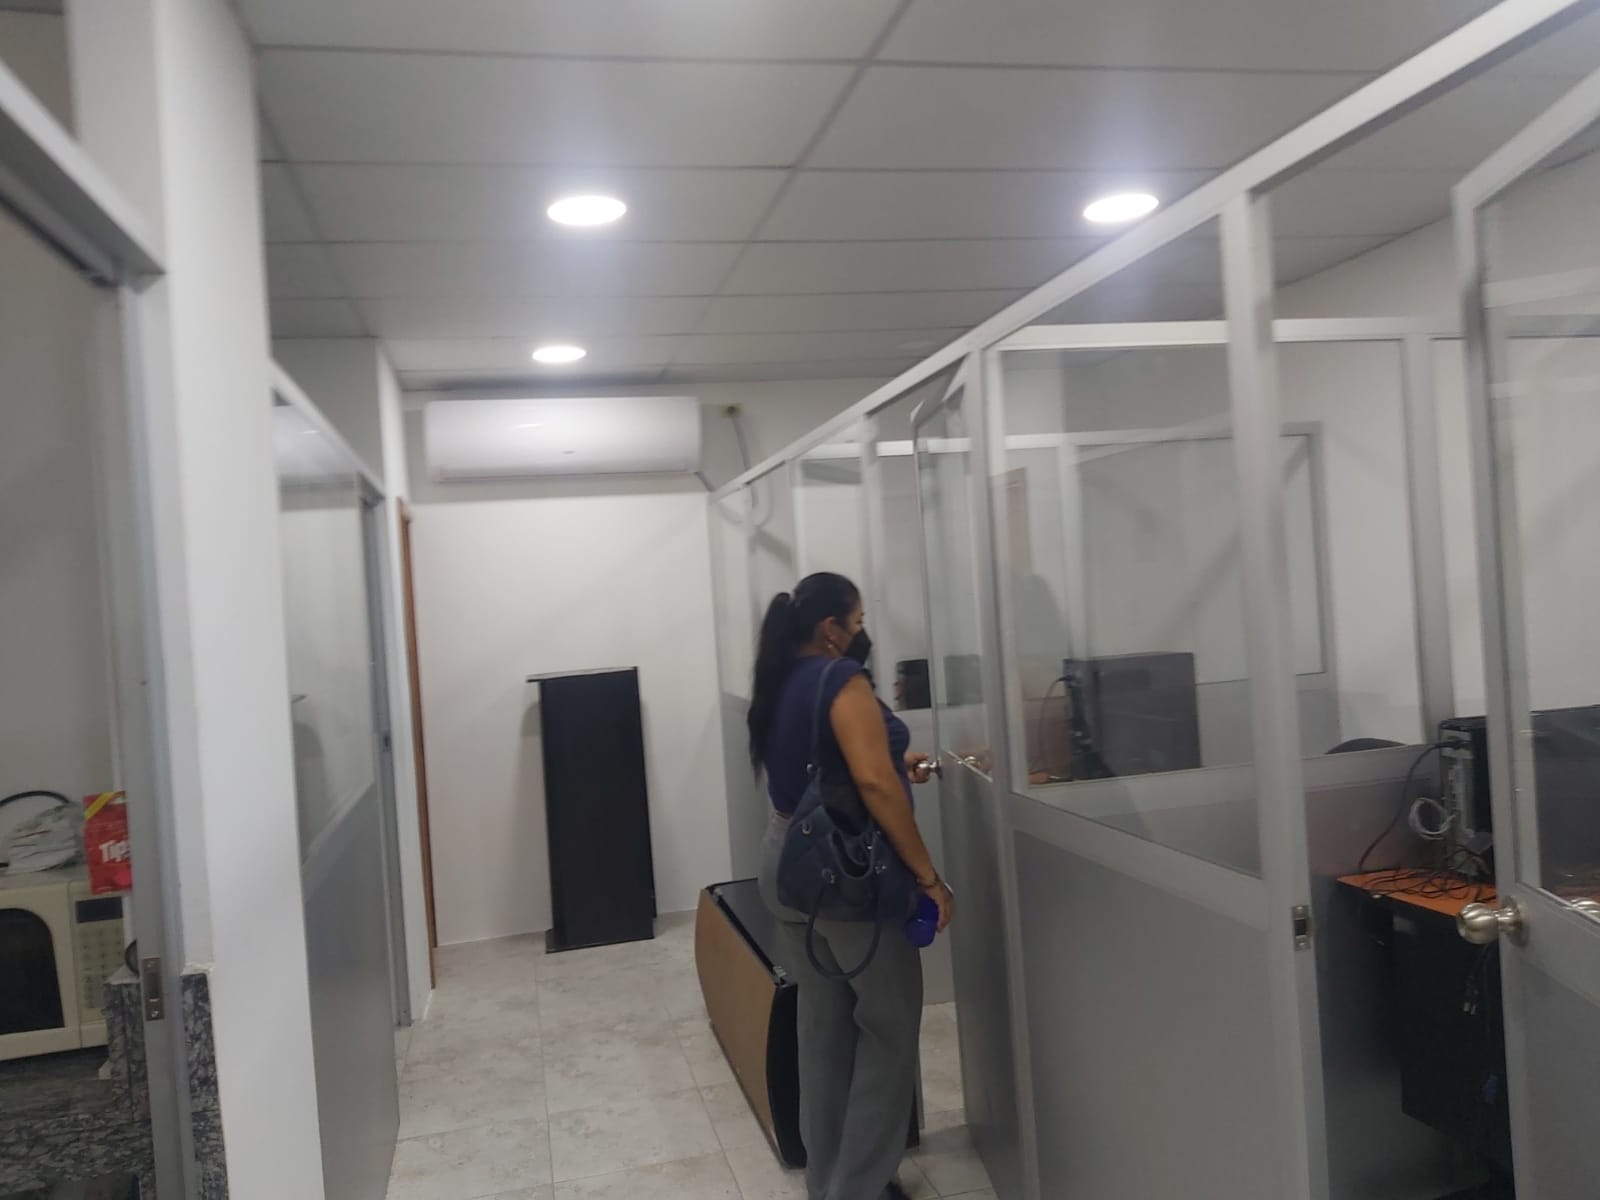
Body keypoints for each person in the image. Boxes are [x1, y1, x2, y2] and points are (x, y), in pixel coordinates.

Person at [749, 571, 955, 1200]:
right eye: (859, 622)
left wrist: (895, 762)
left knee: (825, 1032)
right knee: (888, 1028)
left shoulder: (780, 678)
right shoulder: (840, 677)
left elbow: (834, 767)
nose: (864, 634)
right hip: (845, 879)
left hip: (787, 863)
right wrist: (928, 877)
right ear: (831, 629)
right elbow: (871, 784)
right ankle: (860, 1188)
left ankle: (829, 1181)